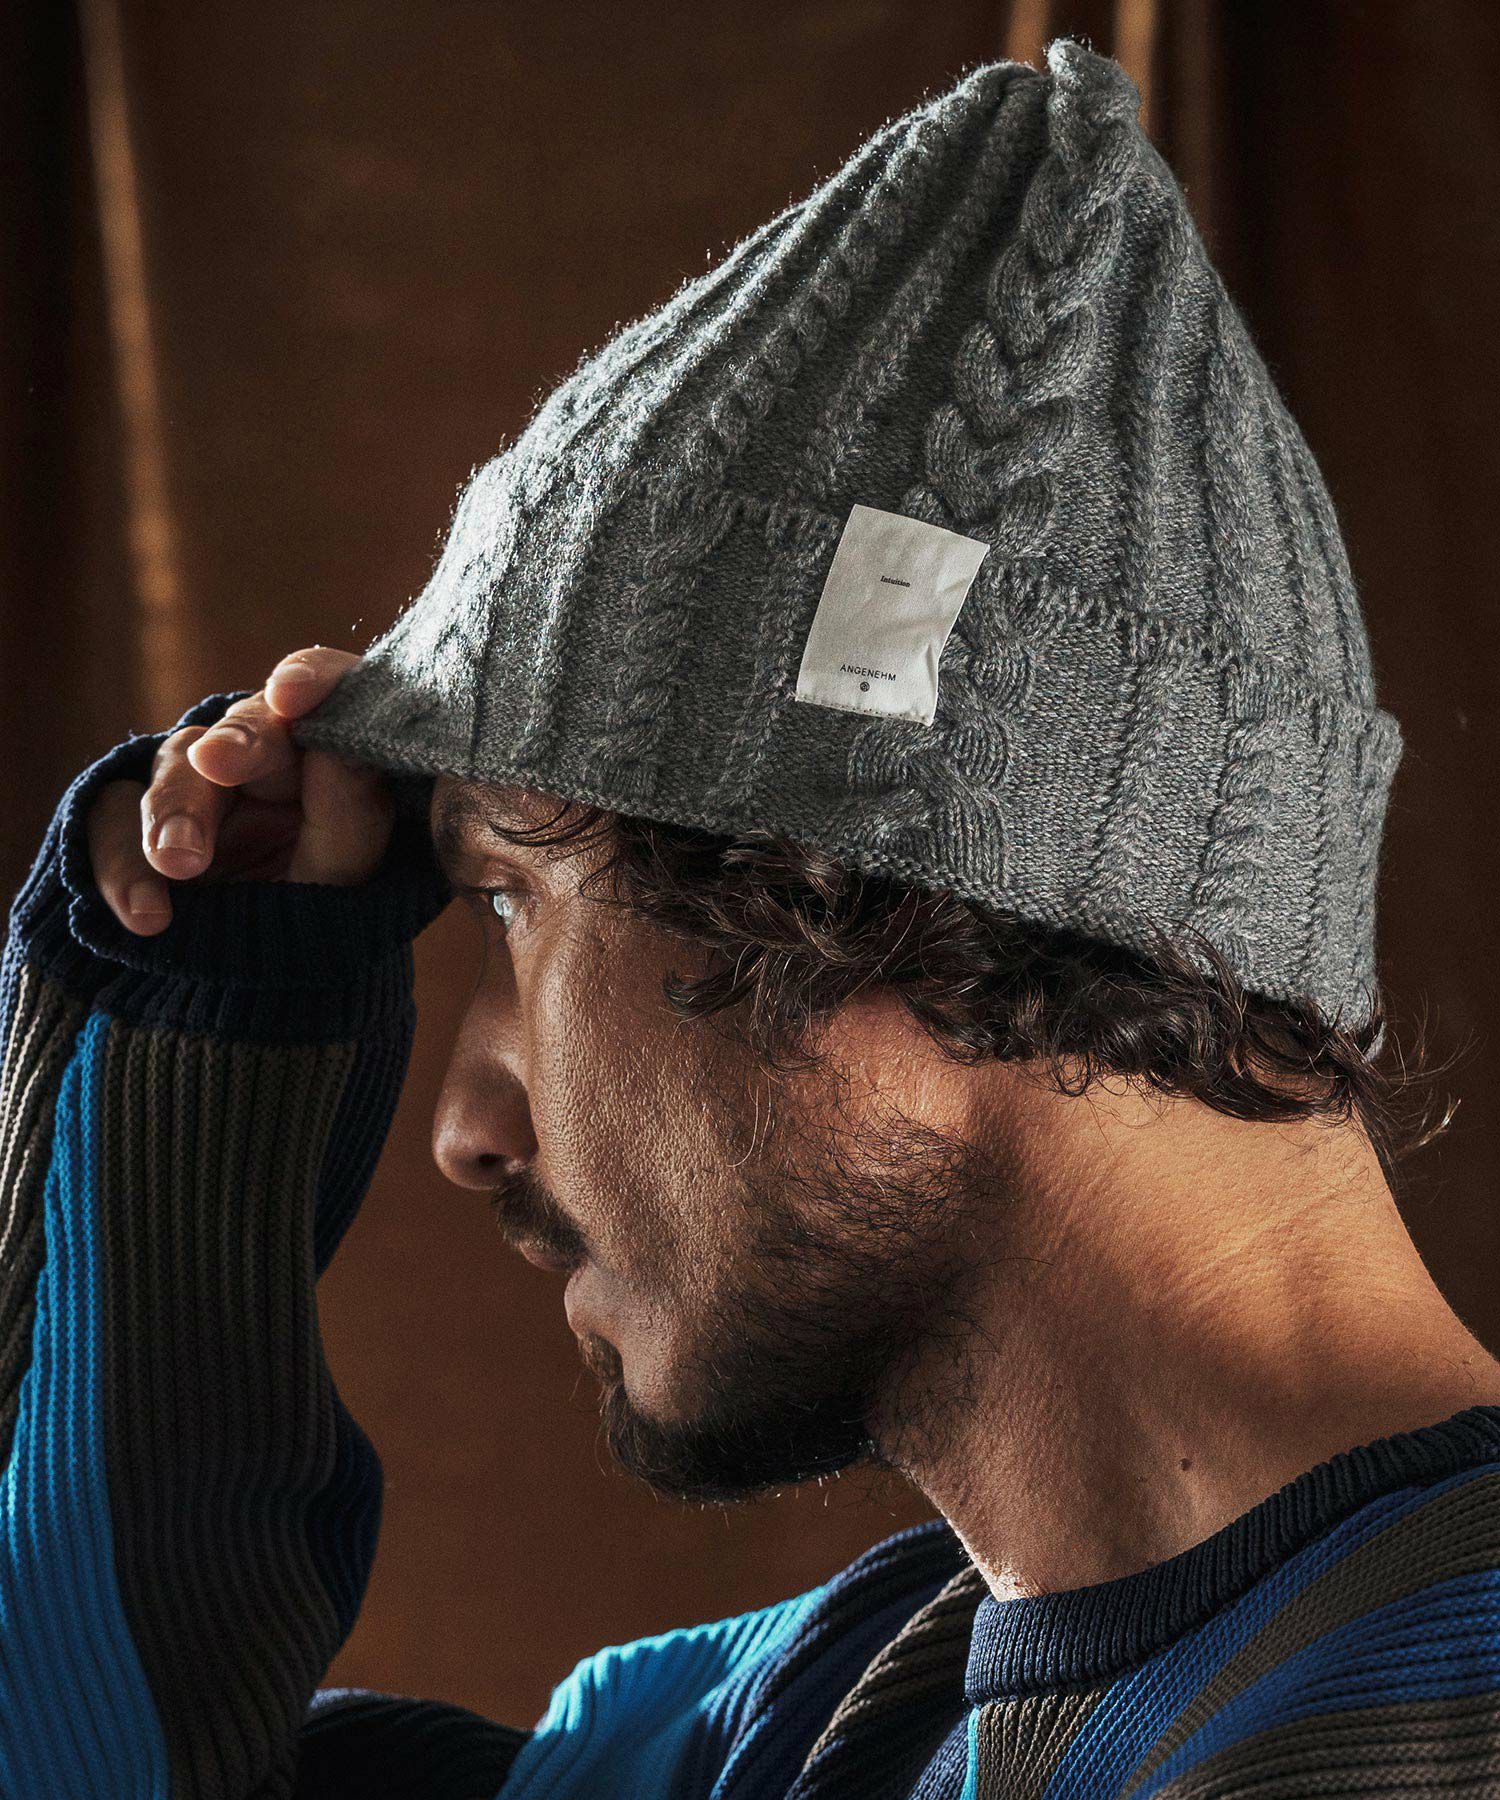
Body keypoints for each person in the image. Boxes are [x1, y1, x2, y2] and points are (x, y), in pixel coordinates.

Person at [4, 36, 1497, 1800]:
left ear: (883, 902)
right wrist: (209, 1029)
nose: (471, 1127)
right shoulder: (808, 1720)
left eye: (512, 900)